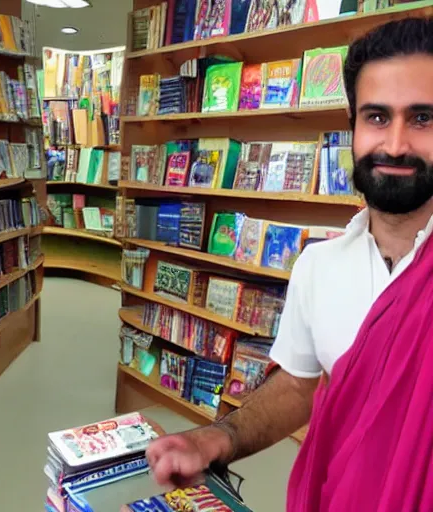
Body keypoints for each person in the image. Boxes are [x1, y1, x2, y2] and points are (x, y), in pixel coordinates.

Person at [146, 16, 433, 511]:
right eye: (378, 117)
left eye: (424, 118)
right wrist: (219, 438)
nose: (395, 144)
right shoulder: (318, 267)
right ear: (352, 128)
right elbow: (300, 386)